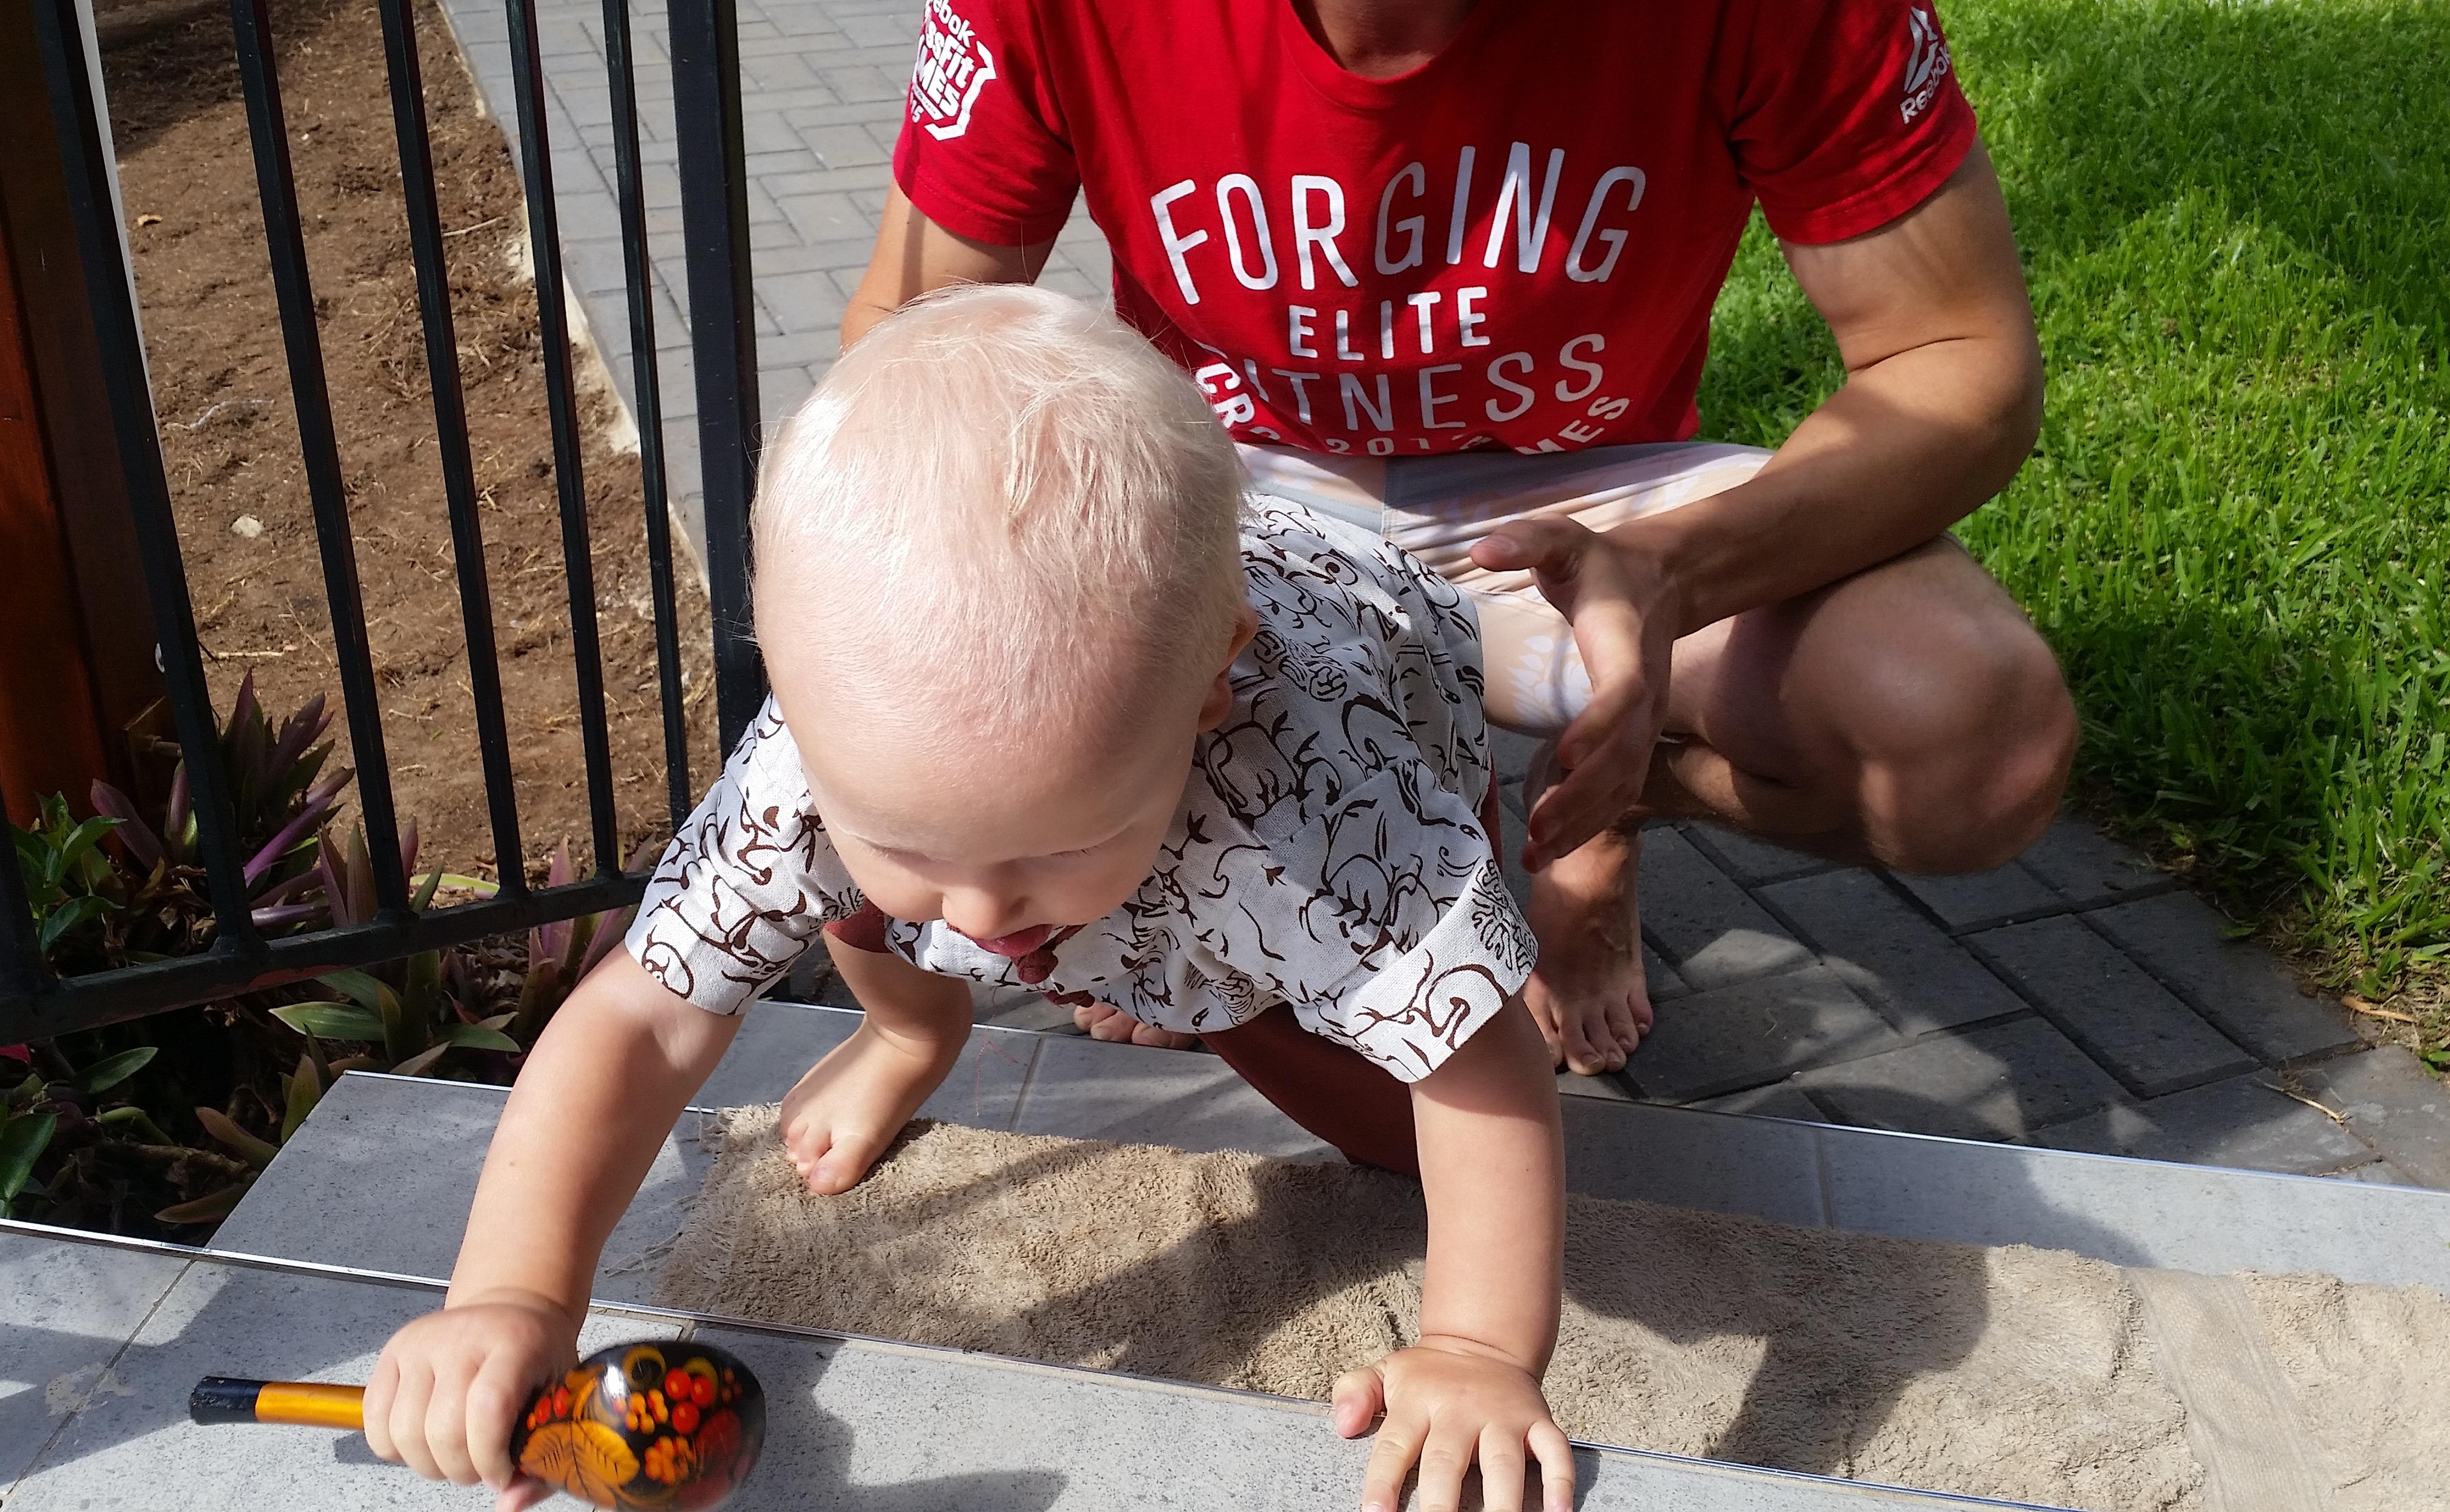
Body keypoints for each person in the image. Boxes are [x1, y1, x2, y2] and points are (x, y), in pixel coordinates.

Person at [363, 286, 1573, 1512]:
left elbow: (1483, 1066)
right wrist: (513, 1292)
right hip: (1149, 811)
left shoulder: (1326, 814)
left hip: (1377, 678)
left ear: (1207, 689)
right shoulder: (838, 753)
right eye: (905, 835)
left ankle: (1229, 967)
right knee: (836, 884)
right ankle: (911, 1030)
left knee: (1395, 1122)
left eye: (1061, 842)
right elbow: (640, 1017)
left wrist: (1477, 1347)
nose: (982, 918)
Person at [847, 0, 2078, 1078]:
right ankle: (1196, 861)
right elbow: (909, 342)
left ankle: (1614, 806)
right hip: (1239, 486)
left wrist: (1675, 568)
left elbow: (1955, 357)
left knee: (1979, 750)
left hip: (1586, 496)